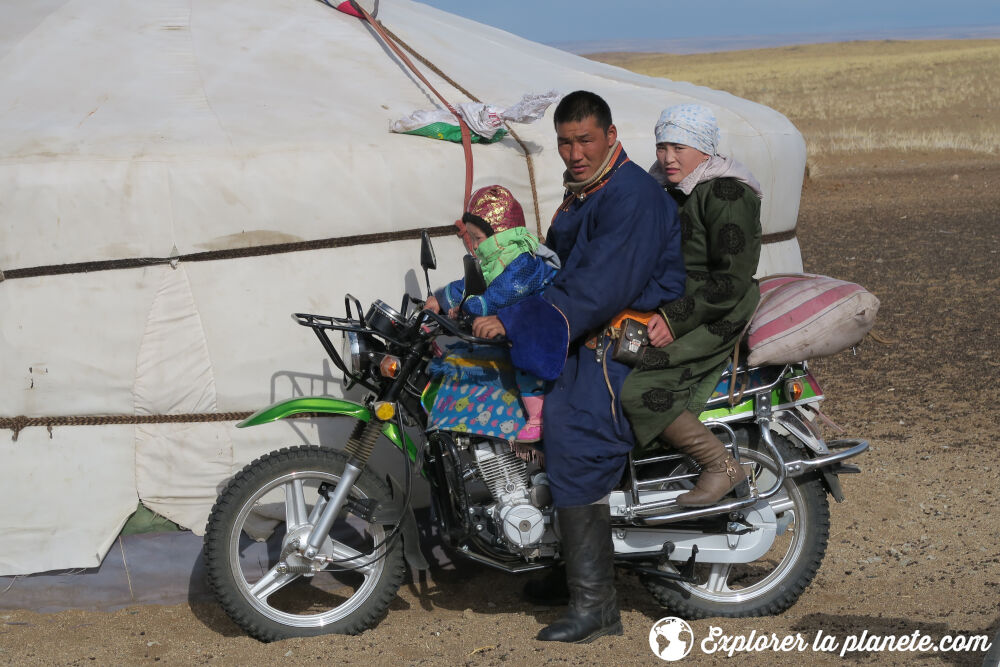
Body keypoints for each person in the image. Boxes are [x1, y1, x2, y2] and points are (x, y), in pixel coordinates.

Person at [472, 91, 685, 643]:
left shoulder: (630, 195)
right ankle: (568, 565)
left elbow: (600, 287)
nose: (574, 152)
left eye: (585, 140)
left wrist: (519, 322)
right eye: (565, 142)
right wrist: (484, 300)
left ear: (612, 136)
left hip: (626, 336)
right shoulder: (585, 193)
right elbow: (547, 269)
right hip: (587, 326)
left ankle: (596, 607)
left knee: (572, 430)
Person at [621, 103, 763, 506]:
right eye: (662, 146)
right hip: (676, 301)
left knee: (640, 387)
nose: (667, 157)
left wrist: (674, 317)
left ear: (703, 149)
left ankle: (720, 465)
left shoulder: (726, 191)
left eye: (678, 147)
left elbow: (731, 278)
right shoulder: (672, 187)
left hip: (720, 307)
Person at [424, 184, 558, 442]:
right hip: (513, 323)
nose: (474, 247)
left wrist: (467, 307)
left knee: (526, 363)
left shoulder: (523, 261)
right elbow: (471, 283)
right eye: (471, 239)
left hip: (540, 327)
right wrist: (439, 299)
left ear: (500, 235)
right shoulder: (497, 259)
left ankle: (538, 418)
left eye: (477, 239)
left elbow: (499, 296)